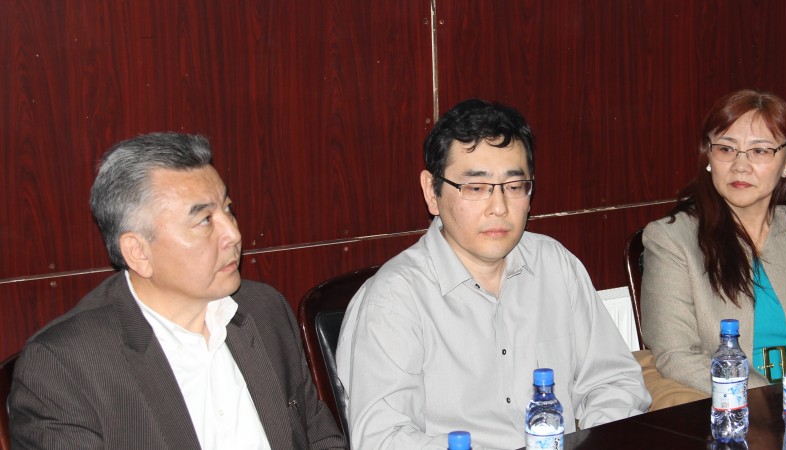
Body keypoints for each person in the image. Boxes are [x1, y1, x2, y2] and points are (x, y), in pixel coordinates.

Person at [335, 98, 650, 450]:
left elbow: (613, 382)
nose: (499, 207)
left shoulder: (555, 265)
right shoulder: (393, 300)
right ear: (432, 191)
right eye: (476, 188)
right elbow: (383, 439)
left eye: (514, 187)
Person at [8, 133, 346, 449]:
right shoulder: (65, 366)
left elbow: (320, 438)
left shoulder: (264, 309)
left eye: (228, 209)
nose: (233, 234)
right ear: (139, 253)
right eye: (205, 220)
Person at [640, 89, 786, 393]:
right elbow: (677, 357)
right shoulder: (671, 240)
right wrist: (769, 400)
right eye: (726, 149)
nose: (740, 166)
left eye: (759, 151)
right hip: (727, 405)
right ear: (709, 156)